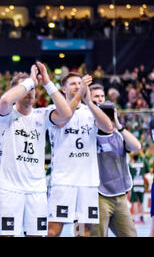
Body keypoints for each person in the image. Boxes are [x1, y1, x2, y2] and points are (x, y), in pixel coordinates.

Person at [0, 64, 72, 237]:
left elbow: (66, 114)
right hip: (9, 189)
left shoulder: (42, 115)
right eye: (26, 88)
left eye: (33, 88)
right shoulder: (6, 114)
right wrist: (30, 80)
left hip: (36, 190)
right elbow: (6, 100)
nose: (30, 91)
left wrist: (47, 83)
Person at [47, 73, 114, 237]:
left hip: (87, 181)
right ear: (63, 89)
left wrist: (90, 102)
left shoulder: (90, 111)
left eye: (80, 83)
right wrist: (80, 94)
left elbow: (108, 127)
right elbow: (65, 116)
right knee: (53, 231)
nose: (78, 86)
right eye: (73, 84)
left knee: (82, 231)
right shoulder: (53, 110)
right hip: (63, 181)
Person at [88, 84, 141, 237]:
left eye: (102, 96)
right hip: (98, 194)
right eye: (96, 96)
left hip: (120, 194)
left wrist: (118, 125)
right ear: (89, 102)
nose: (100, 99)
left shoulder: (118, 133)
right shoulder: (88, 130)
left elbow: (136, 146)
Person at [129, 154, 150, 224]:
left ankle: (135, 218)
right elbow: (147, 170)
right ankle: (142, 217)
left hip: (134, 184)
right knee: (141, 202)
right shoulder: (143, 164)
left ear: (133, 158)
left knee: (134, 202)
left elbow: (128, 174)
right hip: (141, 184)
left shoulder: (131, 164)